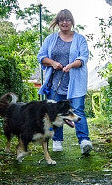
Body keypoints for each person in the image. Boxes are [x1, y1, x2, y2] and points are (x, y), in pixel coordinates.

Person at [37, 9, 93, 155]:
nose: (64, 22)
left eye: (67, 20)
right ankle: (57, 140)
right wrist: (53, 63)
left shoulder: (79, 39)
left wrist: (71, 65)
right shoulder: (51, 39)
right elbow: (41, 57)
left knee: (78, 110)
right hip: (55, 83)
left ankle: (84, 141)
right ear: (57, 22)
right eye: (61, 20)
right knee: (55, 112)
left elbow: (83, 58)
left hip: (75, 83)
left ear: (72, 22)